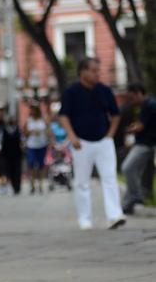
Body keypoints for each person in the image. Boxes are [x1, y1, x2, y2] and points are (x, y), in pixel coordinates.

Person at [59, 57, 125, 230]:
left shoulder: (104, 91)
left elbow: (115, 115)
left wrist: (110, 135)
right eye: (94, 71)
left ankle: (114, 215)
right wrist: (72, 136)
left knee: (110, 178)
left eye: (98, 70)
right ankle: (85, 220)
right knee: (82, 182)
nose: (98, 74)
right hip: (81, 143)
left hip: (104, 140)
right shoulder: (71, 92)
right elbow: (63, 115)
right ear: (83, 72)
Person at [121, 82, 156, 215]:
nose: (131, 101)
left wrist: (130, 130)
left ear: (139, 93)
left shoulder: (149, 104)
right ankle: (134, 198)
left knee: (128, 168)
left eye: (132, 98)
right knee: (134, 171)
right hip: (144, 144)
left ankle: (135, 197)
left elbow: (140, 126)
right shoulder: (144, 106)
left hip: (146, 144)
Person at [23, 105, 51, 194]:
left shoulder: (43, 120)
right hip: (31, 145)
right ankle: (32, 184)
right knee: (31, 164)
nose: (33, 112)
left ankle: (41, 184)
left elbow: (49, 131)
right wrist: (31, 132)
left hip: (42, 144)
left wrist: (48, 137)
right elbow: (24, 133)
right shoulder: (28, 121)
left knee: (41, 164)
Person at [0, 115, 24, 195]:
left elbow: (22, 140)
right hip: (6, 154)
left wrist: (23, 147)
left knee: (17, 171)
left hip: (16, 154)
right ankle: (7, 186)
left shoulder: (18, 130)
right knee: (6, 170)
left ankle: (17, 187)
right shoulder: (3, 130)